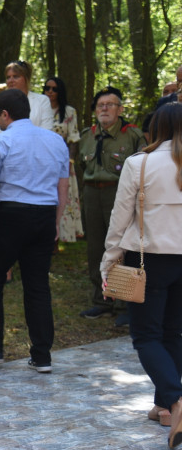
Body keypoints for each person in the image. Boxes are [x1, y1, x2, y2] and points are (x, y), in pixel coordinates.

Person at [0, 89, 69, 372]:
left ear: (5, 114)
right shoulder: (56, 141)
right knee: (37, 286)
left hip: (10, 216)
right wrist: (56, 221)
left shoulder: (0, 143)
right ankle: (42, 355)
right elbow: (63, 187)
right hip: (45, 215)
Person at [102, 103, 182, 446]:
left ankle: (176, 400)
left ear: (155, 128)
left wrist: (107, 262)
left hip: (146, 258)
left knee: (146, 336)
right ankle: (164, 407)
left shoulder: (139, 163)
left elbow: (120, 218)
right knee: (173, 333)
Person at [78, 86, 146, 324]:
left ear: (120, 109)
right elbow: (81, 167)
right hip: (92, 194)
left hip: (119, 195)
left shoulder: (133, 135)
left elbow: (142, 169)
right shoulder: (87, 135)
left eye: (110, 105)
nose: (104, 109)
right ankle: (102, 300)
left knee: (122, 246)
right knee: (96, 247)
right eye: (100, 105)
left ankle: (124, 304)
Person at [43, 76, 84, 242]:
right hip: (42, 162)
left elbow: (73, 138)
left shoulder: (69, 111)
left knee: (62, 198)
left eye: (54, 89)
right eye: (47, 88)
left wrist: (70, 161)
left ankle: (59, 236)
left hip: (62, 162)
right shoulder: (39, 109)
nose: (50, 92)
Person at [0, 61, 54, 140]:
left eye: (15, 76)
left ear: (26, 78)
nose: (11, 80)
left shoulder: (42, 101)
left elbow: (47, 132)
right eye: (8, 77)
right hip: (4, 150)